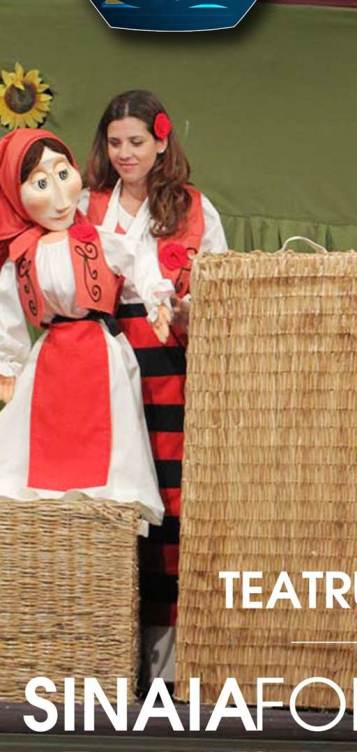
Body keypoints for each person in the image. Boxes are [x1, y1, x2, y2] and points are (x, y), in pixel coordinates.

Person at [81, 89, 228, 681]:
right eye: (115, 142)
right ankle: (104, 649)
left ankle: (169, 659)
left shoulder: (193, 207)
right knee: (111, 498)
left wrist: (188, 309)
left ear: (162, 142)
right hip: (104, 363)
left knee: (171, 501)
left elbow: (220, 289)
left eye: (136, 142)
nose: (125, 153)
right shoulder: (88, 206)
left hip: (171, 366)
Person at [0, 127, 169, 526]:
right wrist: (8, 365)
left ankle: (105, 522)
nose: (60, 197)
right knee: (36, 443)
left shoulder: (98, 239)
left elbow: (139, 260)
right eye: (41, 184)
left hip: (100, 352)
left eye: (63, 174)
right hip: (50, 360)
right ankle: (44, 526)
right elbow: (8, 316)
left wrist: (157, 300)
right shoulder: (21, 257)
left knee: (109, 439)